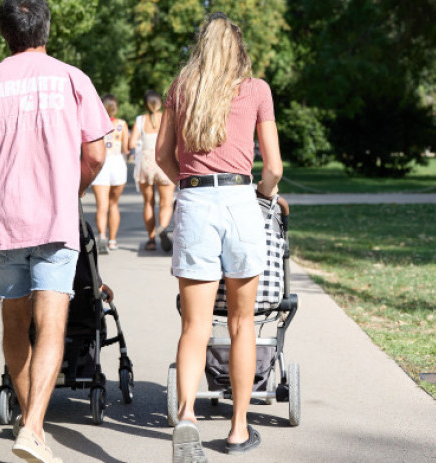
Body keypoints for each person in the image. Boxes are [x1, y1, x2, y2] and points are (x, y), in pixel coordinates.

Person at [0, 1, 111, 462]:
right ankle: (33, 427)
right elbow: (95, 154)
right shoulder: (72, 78)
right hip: (54, 221)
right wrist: (68, 188)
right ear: (46, 28)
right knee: (51, 323)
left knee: (15, 322)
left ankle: (26, 418)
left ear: (4, 33)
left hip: (4, 223)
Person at [156, 12, 283, 462]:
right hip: (239, 201)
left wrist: (189, 186)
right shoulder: (255, 90)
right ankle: (237, 429)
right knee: (242, 323)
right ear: (238, 49)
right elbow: (273, 168)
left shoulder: (180, 88)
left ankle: (187, 415)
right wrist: (266, 197)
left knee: (194, 325)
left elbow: (162, 157)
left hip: (194, 204)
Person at [129, 89, 174, 252]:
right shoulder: (167, 118)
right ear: (160, 103)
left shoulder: (140, 120)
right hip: (164, 162)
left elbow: (131, 143)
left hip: (146, 164)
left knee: (148, 203)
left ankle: (151, 240)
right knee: (166, 203)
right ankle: (162, 227)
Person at [91, 94, 129, 254]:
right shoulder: (121, 124)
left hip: (101, 164)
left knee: (102, 206)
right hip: (117, 163)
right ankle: (113, 241)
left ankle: (102, 236)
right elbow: (126, 148)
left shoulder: (95, 124)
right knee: (114, 204)